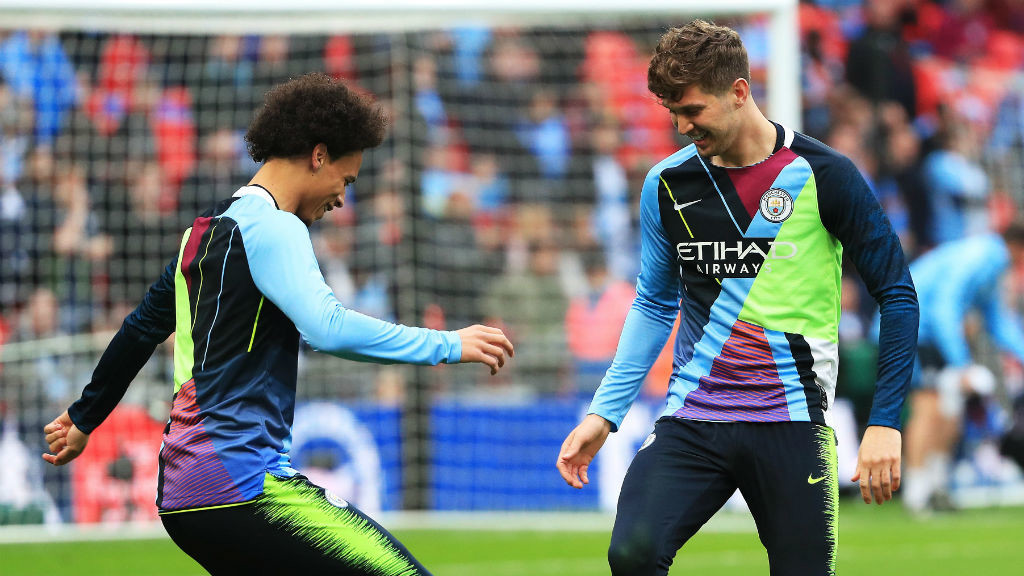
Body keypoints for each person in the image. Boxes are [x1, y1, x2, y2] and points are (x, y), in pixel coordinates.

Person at [41, 73, 514, 575]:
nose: (340, 200)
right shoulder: (277, 228)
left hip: (184, 498)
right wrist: (447, 344)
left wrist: (85, 416)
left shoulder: (200, 232)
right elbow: (327, 328)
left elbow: (139, 330)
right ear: (318, 155)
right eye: (345, 181)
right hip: (242, 486)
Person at [556, 20, 918, 576]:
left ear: (739, 92)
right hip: (694, 419)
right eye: (672, 112)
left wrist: (886, 420)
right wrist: (604, 413)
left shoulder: (826, 176)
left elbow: (896, 294)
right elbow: (655, 304)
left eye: (693, 110)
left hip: (794, 422)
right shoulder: (666, 185)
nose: (681, 126)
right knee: (631, 554)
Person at [902, 223, 1024, 514]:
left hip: (932, 331)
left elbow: (996, 320)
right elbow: (944, 306)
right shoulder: (981, 255)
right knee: (928, 406)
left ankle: (937, 485)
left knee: (950, 408)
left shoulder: (992, 262)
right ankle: (916, 492)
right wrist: (962, 364)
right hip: (915, 325)